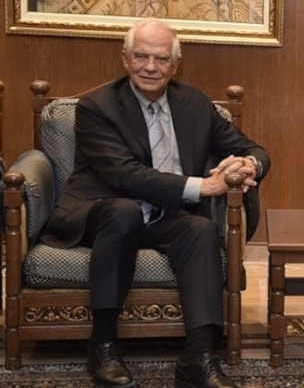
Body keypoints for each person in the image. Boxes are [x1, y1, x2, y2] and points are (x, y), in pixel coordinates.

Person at [41, 19, 270, 388]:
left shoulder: (194, 103)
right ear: (125, 59)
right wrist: (201, 186)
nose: (150, 67)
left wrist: (249, 163)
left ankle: (198, 356)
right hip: (103, 210)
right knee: (125, 210)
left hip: (165, 215)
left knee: (200, 228)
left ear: (175, 64)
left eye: (161, 59)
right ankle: (103, 345)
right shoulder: (96, 107)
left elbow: (251, 147)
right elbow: (123, 175)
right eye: (141, 57)